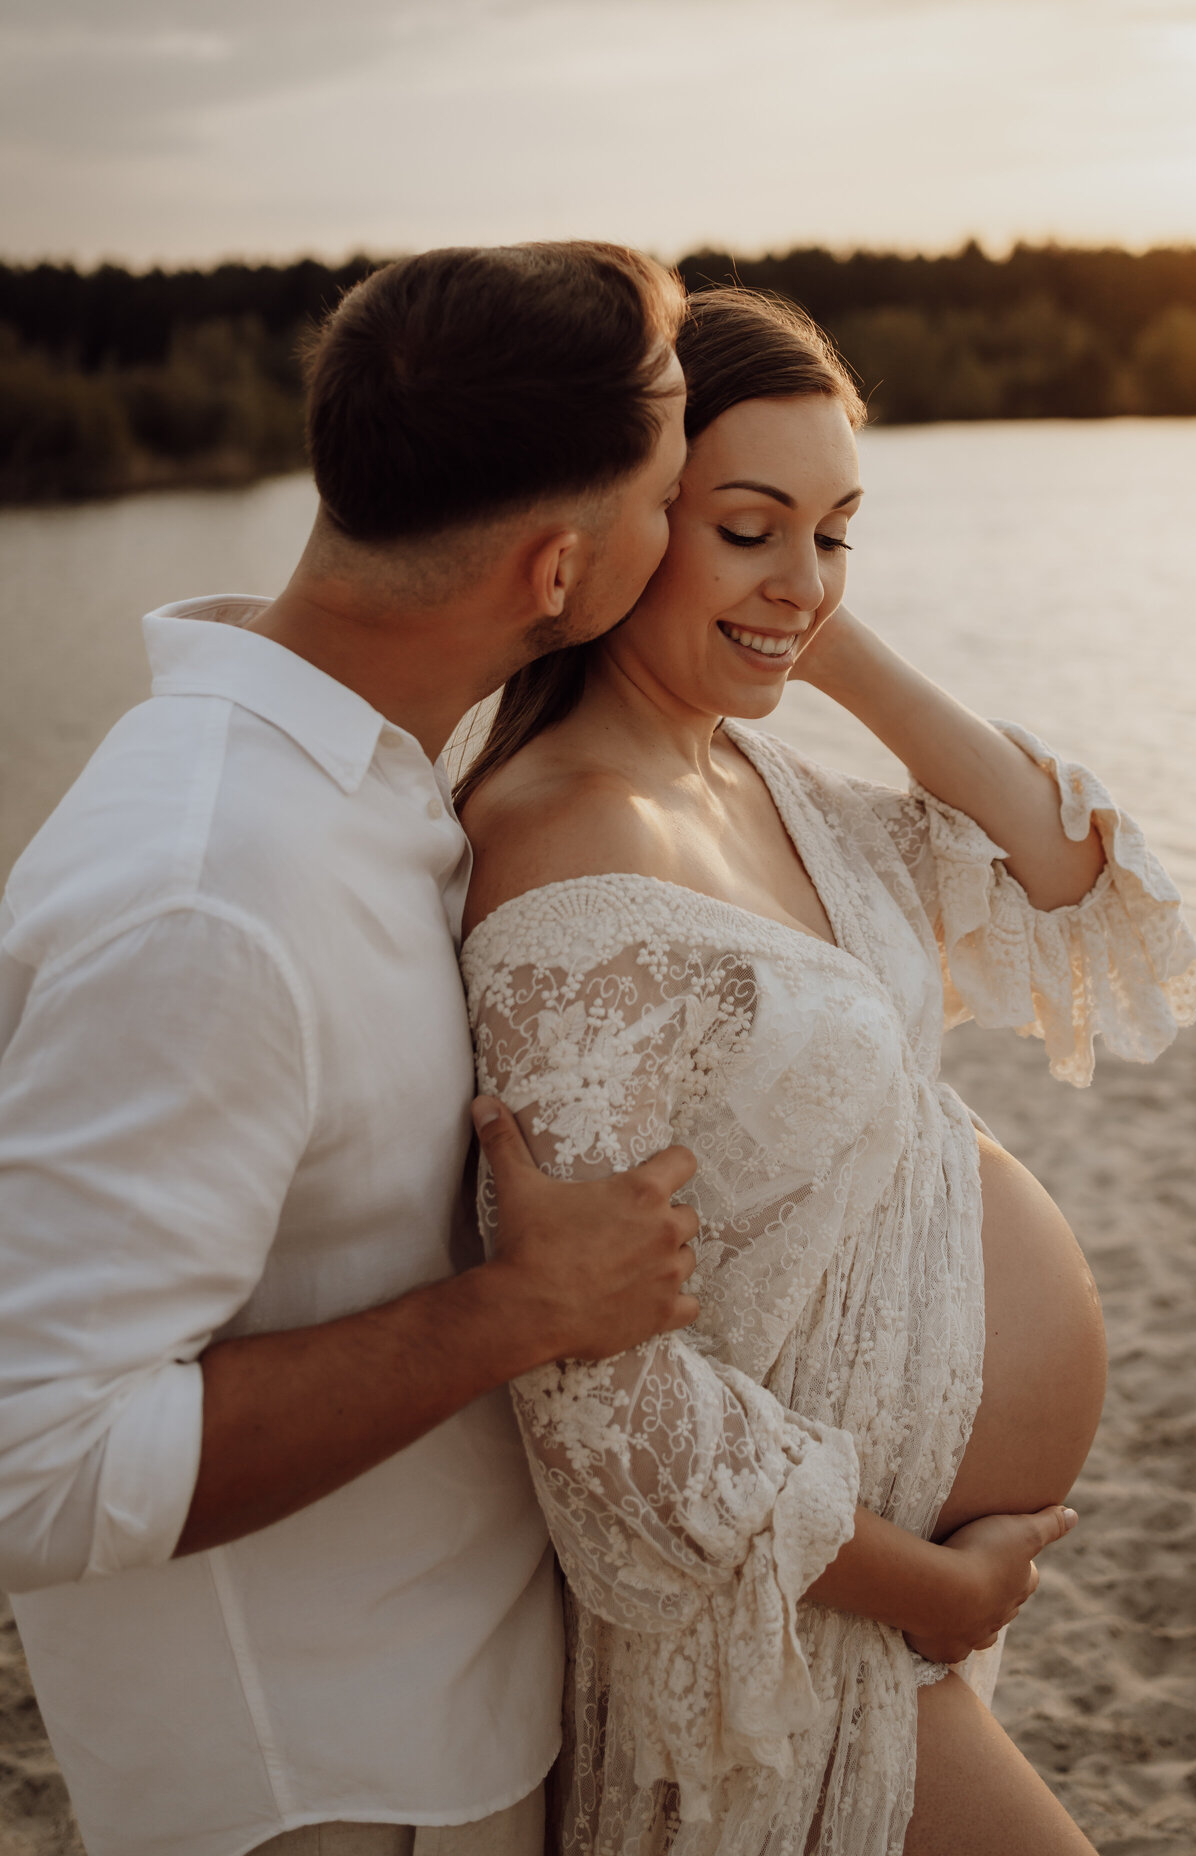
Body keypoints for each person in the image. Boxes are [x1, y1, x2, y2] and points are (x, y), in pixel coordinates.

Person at [457, 286, 1196, 1856]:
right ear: (627, 520)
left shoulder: (759, 776)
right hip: (780, 1640)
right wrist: (927, 1581)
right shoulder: (562, 852)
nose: (804, 577)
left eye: (840, 530)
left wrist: (808, 629)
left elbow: (1066, 875)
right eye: (747, 525)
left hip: (876, 1613)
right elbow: (597, 1396)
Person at [0, 243, 704, 1856]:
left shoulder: (358, 776)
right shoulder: (209, 897)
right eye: (672, 506)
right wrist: (523, 1311)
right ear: (551, 570)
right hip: (311, 1786)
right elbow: (29, 1464)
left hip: (439, 1717)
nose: (676, 550)